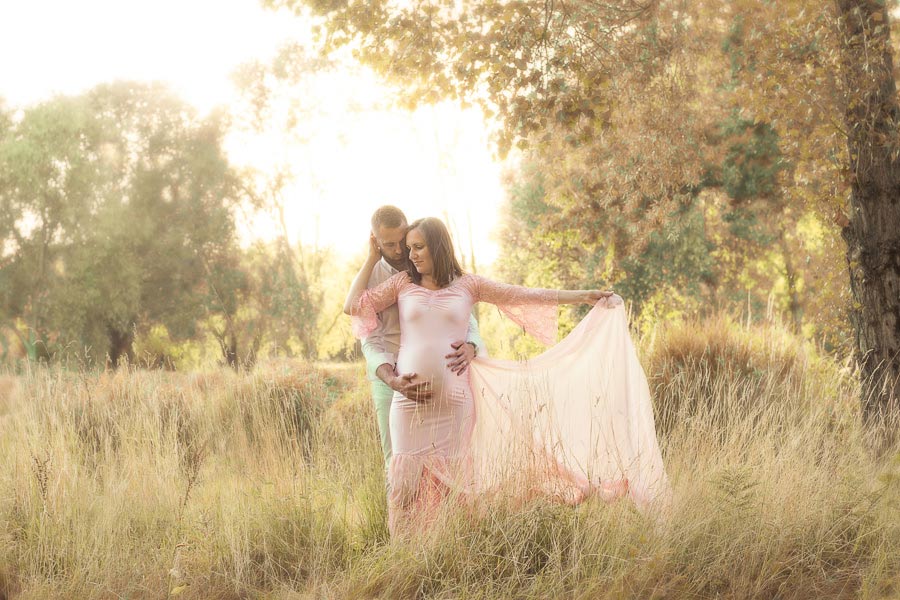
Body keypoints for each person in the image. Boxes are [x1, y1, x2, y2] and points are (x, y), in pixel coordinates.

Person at [346, 217, 670, 535]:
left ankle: (447, 551)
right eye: (409, 248)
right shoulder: (403, 283)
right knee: (404, 484)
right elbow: (353, 306)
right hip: (408, 404)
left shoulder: (468, 285)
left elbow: (524, 294)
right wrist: (372, 257)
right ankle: (404, 554)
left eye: (418, 247)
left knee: (454, 489)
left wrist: (584, 296)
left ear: (438, 247)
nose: (411, 255)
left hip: (455, 406)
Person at [346, 206, 484, 473]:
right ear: (375, 241)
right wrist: (392, 379)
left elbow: (465, 319)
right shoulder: (372, 278)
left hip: (446, 385)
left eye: (403, 241)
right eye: (389, 244)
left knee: (451, 464)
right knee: (398, 465)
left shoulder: (427, 268)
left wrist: (472, 345)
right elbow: (368, 337)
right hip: (390, 379)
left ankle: (444, 516)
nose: (400, 250)